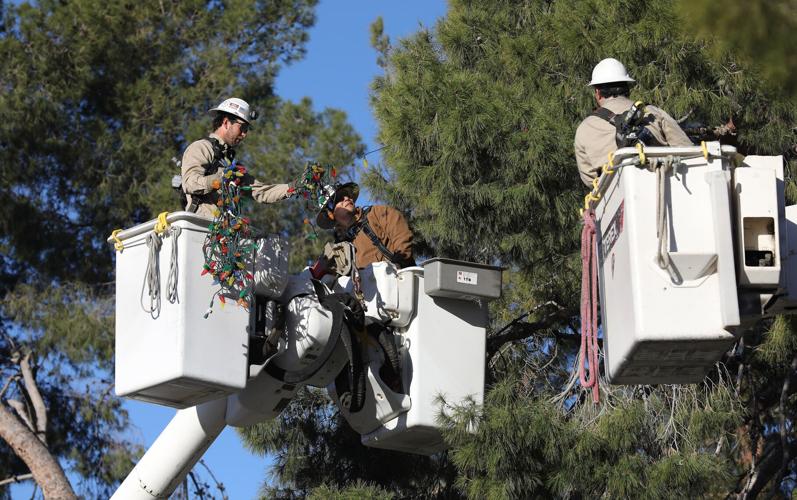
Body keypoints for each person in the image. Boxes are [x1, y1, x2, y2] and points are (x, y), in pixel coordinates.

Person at [574, 58, 693, 187]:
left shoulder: (584, 129)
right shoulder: (653, 113)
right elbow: (686, 149)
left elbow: (591, 181)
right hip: (665, 186)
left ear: (597, 93)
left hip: (617, 197)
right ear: (627, 88)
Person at [181, 97, 293, 217]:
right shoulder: (202, 148)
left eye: (246, 130)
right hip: (200, 227)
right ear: (226, 123)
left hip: (225, 230)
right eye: (242, 128)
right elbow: (189, 183)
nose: (244, 134)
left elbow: (261, 192)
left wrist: (293, 187)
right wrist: (220, 179)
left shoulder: (231, 163)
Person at [315, 182, 415, 270]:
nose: (347, 198)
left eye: (347, 195)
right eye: (340, 198)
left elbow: (402, 238)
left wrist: (397, 266)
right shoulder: (338, 248)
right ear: (330, 213)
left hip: (401, 282)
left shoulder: (377, 213)